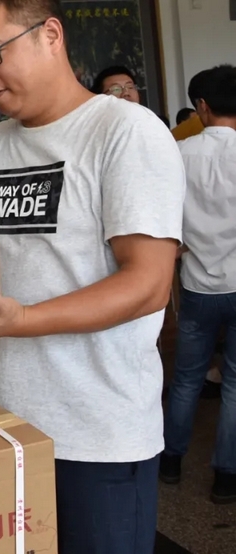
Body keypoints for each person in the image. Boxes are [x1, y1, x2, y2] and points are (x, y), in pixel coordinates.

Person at [0, 2, 185, 552]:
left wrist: (22, 320)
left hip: (98, 435)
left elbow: (149, 284)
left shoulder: (125, 131)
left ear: (51, 35)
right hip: (8, 426)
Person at [162, 64, 236, 504]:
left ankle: (170, 460)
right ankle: (226, 477)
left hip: (197, 287)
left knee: (187, 377)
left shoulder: (178, 152)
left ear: (202, 106)